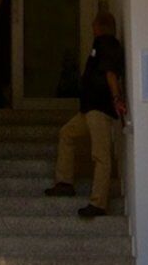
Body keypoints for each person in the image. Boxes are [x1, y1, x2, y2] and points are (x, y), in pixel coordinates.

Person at [46, 12, 130, 218]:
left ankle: (98, 203)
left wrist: (117, 98)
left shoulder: (107, 44)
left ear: (101, 26)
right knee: (67, 133)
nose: (92, 28)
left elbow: (110, 73)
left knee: (100, 155)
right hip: (89, 108)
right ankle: (64, 181)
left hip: (99, 108)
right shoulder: (100, 44)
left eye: (94, 25)